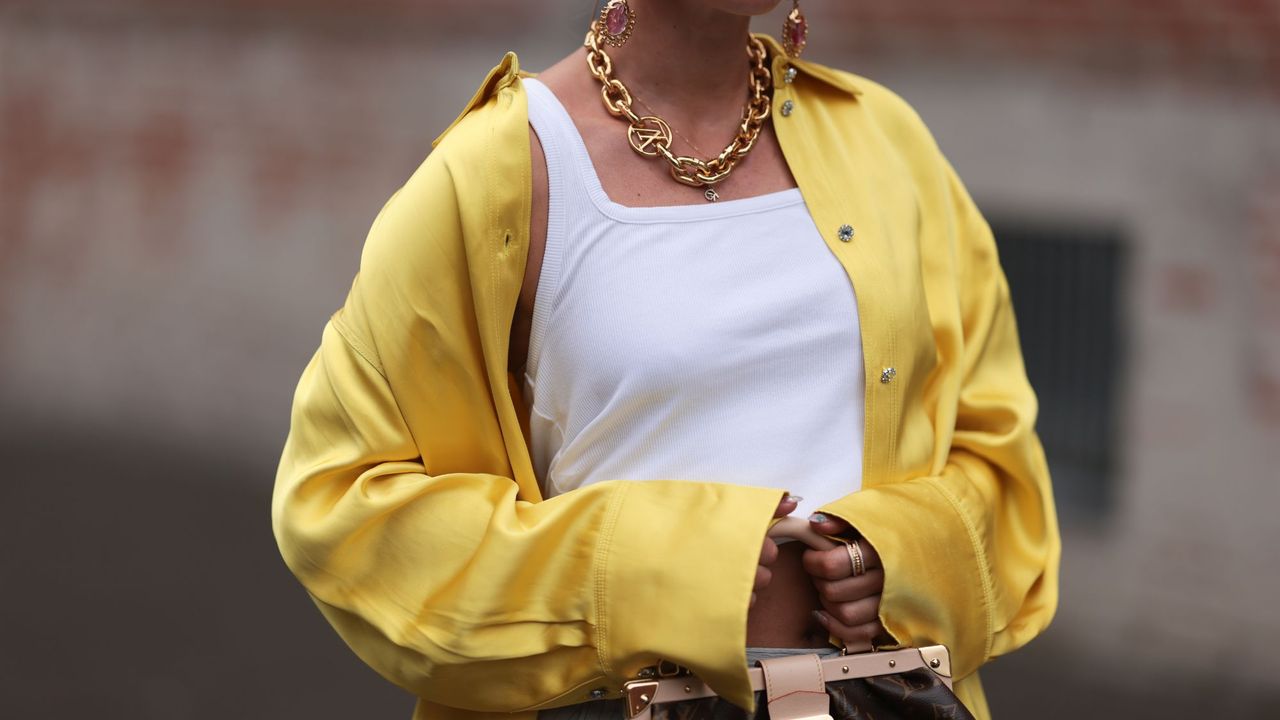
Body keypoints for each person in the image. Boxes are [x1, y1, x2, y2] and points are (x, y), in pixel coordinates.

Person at [270, 1, 1061, 719]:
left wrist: (905, 557)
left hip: (884, 701)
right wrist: (651, 566)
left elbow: (999, 453)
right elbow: (340, 502)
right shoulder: (499, 171)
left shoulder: (887, 142)